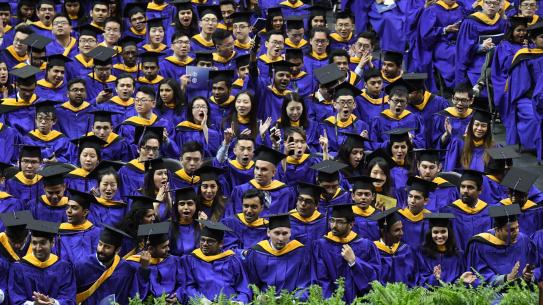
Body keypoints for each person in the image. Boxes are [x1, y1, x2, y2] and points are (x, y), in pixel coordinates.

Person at [311, 203, 381, 303]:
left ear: (351, 224)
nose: (334, 225)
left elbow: (374, 278)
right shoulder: (321, 246)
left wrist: (354, 262)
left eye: (340, 222)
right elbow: (320, 279)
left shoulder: (366, 246)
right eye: (332, 220)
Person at [182, 220, 252, 303]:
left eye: (210, 241)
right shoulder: (192, 260)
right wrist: (201, 300)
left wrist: (240, 302)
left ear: (221, 244)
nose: (205, 244)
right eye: (202, 240)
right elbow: (188, 286)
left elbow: (244, 288)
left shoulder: (232, 260)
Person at [9, 220, 76, 305]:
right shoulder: (18, 268)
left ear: (52, 243)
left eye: (42, 243)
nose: (38, 248)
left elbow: (69, 298)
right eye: (34, 243)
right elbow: (15, 300)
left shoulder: (64, 267)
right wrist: (34, 304)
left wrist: (53, 302)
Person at [466, 204, 537, 286]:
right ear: (497, 229)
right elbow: (479, 276)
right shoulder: (479, 244)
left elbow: (535, 266)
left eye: (517, 227)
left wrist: (528, 276)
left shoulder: (524, 240)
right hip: (493, 294)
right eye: (511, 230)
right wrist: (506, 278)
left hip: (521, 291)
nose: (516, 232)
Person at [245, 213, 310, 296]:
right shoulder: (256, 253)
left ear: (290, 233)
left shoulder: (300, 252)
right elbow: (251, 285)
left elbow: (304, 284)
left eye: (285, 233)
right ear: (268, 232)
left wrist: (294, 300)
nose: (281, 238)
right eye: (277, 233)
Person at [74, 225, 139, 305]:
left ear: (118, 250)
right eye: (100, 244)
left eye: (107, 247)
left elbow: (133, 296)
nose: (101, 250)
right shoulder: (82, 265)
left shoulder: (125, 270)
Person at [228, 145, 294, 216]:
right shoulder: (241, 190)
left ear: (274, 172)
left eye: (264, 169)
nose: (259, 173)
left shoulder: (285, 192)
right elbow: (235, 217)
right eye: (256, 168)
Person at [126, 222, 184, 303]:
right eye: (164, 247)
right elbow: (135, 295)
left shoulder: (173, 260)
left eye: (168, 245)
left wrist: (177, 295)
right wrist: (144, 269)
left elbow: (182, 283)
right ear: (150, 249)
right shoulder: (132, 264)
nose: (168, 249)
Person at [454, 0, 507, 88]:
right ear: (482, 4)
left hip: (498, 56)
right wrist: (480, 47)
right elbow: (463, 49)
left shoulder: (501, 21)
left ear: (500, 6)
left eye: (495, 3)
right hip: (477, 57)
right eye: (488, 2)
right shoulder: (470, 21)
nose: (492, 6)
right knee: (483, 73)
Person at [417, 213, 476, 286]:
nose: (439, 236)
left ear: (449, 233)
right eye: (435, 232)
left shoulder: (458, 255)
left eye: (443, 232)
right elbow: (420, 282)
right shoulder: (423, 255)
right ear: (430, 234)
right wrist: (434, 278)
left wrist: (461, 281)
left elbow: (460, 283)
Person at [418, 0, 464, 92]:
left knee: (471, 51)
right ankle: (456, 88)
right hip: (440, 44)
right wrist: (444, 30)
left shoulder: (460, 9)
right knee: (456, 54)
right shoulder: (432, 10)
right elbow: (426, 35)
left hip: (459, 43)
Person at [440, 169, 492, 250]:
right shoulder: (449, 211)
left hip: (481, 260)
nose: (465, 191)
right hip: (457, 259)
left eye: (470, 187)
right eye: (462, 186)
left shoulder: (489, 212)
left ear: (480, 190)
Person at [370, 79, 426, 149]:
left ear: (406, 104)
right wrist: (391, 142)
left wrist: (410, 141)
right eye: (396, 100)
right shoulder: (378, 120)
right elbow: (373, 145)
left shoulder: (414, 118)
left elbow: (422, 144)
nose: (399, 104)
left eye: (402, 101)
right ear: (388, 101)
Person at [371, 207, 419, 287]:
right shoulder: (373, 251)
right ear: (384, 232)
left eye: (401, 229)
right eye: (397, 230)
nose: (402, 233)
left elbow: (415, 277)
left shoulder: (406, 250)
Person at [320, 82, 369, 155]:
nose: (346, 106)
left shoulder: (361, 126)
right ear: (335, 104)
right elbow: (323, 151)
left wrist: (362, 142)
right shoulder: (326, 125)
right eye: (342, 102)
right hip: (334, 164)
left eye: (349, 102)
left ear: (354, 105)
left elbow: (366, 151)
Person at [57, 188, 101, 264]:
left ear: (85, 212)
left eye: (74, 208)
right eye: (68, 207)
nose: (68, 211)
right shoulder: (60, 231)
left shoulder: (96, 233)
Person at [498, 167, 543, 236]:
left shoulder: (537, 210)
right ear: (508, 194)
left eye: (522, 196)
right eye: (513, 195)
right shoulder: (500, 208)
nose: (522, 199)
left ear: (527, 194)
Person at [398, 177, 437, 247]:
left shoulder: (431, 219)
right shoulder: (398, 216)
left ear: (426, 201)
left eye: (417, 197)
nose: (412, 201)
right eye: (410, 196)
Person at [87, 162, 127, 227]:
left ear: (117, 186)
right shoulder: (92, 207)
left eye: (113, 185)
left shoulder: (123, 207)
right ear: (98, 186)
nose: (109, 188)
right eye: (105, 184)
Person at [169, 187, 203, 256]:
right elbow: (143, 230)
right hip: (175, 264)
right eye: (182, 204)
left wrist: (204, 229)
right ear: (177, 207)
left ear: (196, 206)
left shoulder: (202, 224)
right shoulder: (168, 225)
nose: (186, 207)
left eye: (190, 203)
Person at [349, 176, 384, 242]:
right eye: (359, 194)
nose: (363, 197)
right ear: (353, 196)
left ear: (373, 196)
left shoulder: (379, 215)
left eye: (367, 194)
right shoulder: (348, 214)